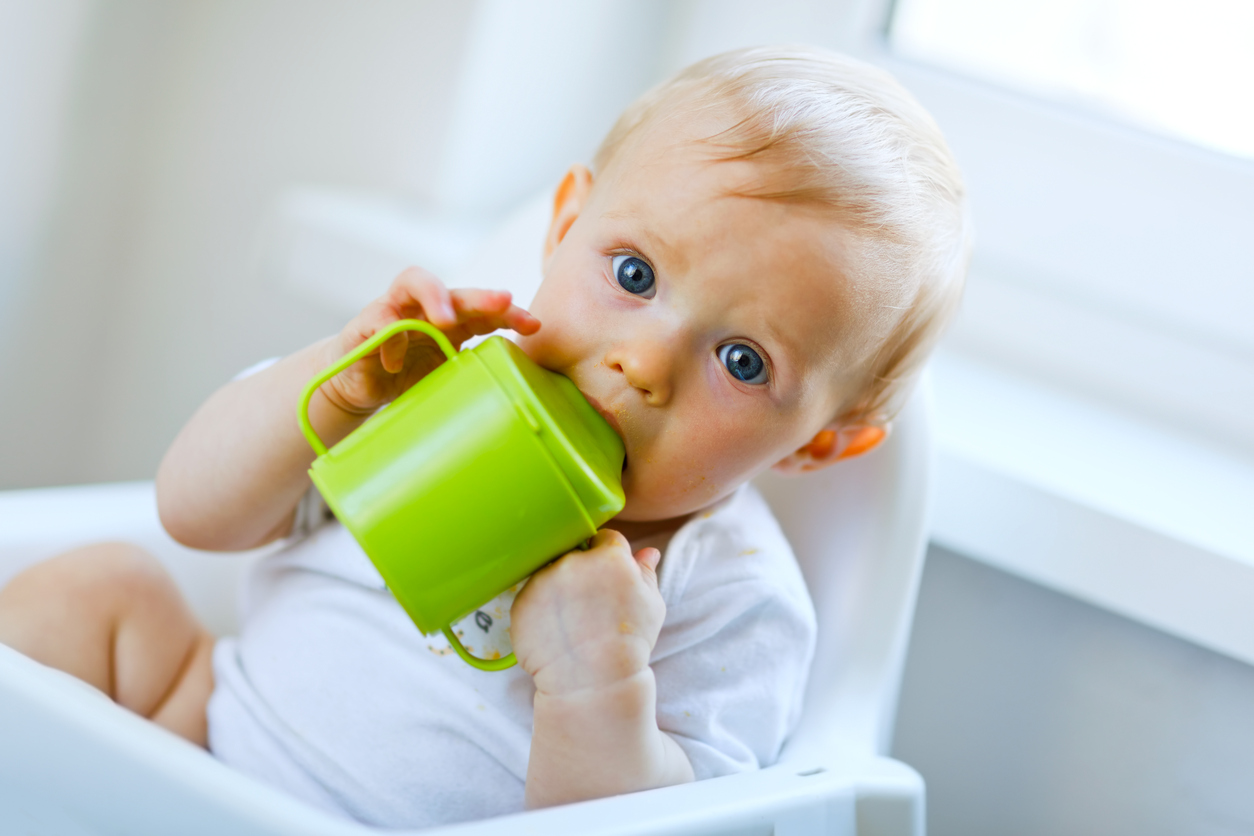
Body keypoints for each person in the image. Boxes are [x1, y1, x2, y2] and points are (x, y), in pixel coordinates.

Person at [0, 46, 969, 827]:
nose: (643, 363)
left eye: (745, 360)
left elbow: (657, 827)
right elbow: (193, 513)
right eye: (633, 274)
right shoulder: (436, 395)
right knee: (98, 588)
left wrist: (599, 681)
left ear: (819, 444)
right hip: (197, 739)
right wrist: (333, 395)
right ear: (565, 224)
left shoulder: (731, 597)